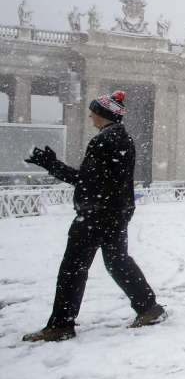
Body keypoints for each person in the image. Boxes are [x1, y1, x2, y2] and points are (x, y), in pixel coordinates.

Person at [21, 90, 166, 342]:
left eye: (93, 112)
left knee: (73, 268)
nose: (90, 116)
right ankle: (148, 307)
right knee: (117, 261)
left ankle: (61, 324)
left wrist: (52, 165)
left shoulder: (102, 141)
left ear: (103, 114)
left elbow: (85, 182)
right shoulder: (124, 139)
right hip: (116, 212)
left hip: (95, 214)